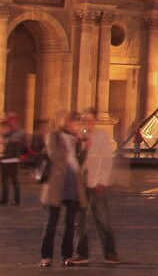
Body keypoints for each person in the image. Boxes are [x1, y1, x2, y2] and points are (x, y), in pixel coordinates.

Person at [71, 110, 120, 265]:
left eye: (90, 120)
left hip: (96, 181)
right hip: (80, 183)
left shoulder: (101, 136)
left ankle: (110, 253)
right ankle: (81, 253)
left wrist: (103, 181)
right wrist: (81, 146)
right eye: (85, 120)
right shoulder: (77, 138)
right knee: (79, 221)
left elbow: (107, 160)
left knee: (103, 219)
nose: (88, 123)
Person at [38, 113, 83, 267]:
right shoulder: (54, 136)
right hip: (56, 183)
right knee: (51, 222)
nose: (78, 127)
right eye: (76, 123)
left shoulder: (77, 140)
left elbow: (79, 161)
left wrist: (81, 147)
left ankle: (67, 256)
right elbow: (54, 156)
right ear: (67, 123)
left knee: (70, 223)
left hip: (72, 182)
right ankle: (46, 256)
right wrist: (70, 145)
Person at [0, 114, 26, 206]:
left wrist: (5, 138)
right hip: (6, 159)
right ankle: (4, 200)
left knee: (14, 181)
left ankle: (16, 200)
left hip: (13, 159)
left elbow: (14, 140)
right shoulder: (9, 134)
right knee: (5, 181)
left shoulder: (17, 133)